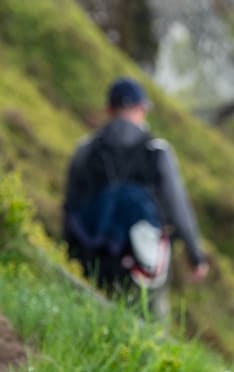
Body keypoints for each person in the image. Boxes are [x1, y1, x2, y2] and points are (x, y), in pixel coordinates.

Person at [63, 77, 209, 317]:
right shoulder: (157, 151)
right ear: (142, 109)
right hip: (143, 259)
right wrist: (196, 256)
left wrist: (69, 250)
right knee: (148, 322)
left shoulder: (86, 149)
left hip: (90, 252)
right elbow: (178, 208)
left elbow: (70, 205)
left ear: (109, 109)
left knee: (86, 313)